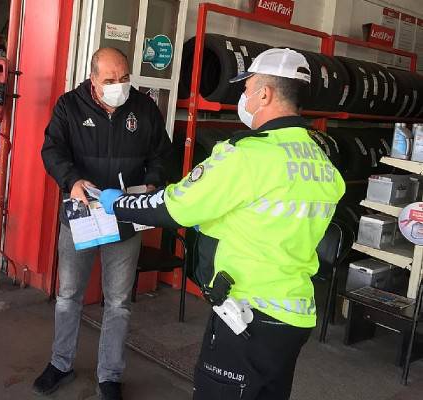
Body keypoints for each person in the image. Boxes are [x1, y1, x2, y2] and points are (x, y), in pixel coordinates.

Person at [99, 48, 345, 400]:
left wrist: (117, 203)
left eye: (247, 89)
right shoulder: (321, 160)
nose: (243, 98)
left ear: (266, 93)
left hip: (246, 317)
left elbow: (171, 206)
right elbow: (280, 221)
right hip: (294, 316)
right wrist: (216, 223)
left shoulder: (246, 154)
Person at [35, 47, 171, 400]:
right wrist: (72, 180)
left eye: (124, 78)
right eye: (110, 80)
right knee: (68, 296)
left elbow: (161, 153)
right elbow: (52, 151)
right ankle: (60, 364)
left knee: (118, 303)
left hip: (125, 217)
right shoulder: (69, 107)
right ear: (93, 79)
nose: (119, 86)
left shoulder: (143, 108)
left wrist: (153, 181)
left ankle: (109, 376)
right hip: (80, 216)